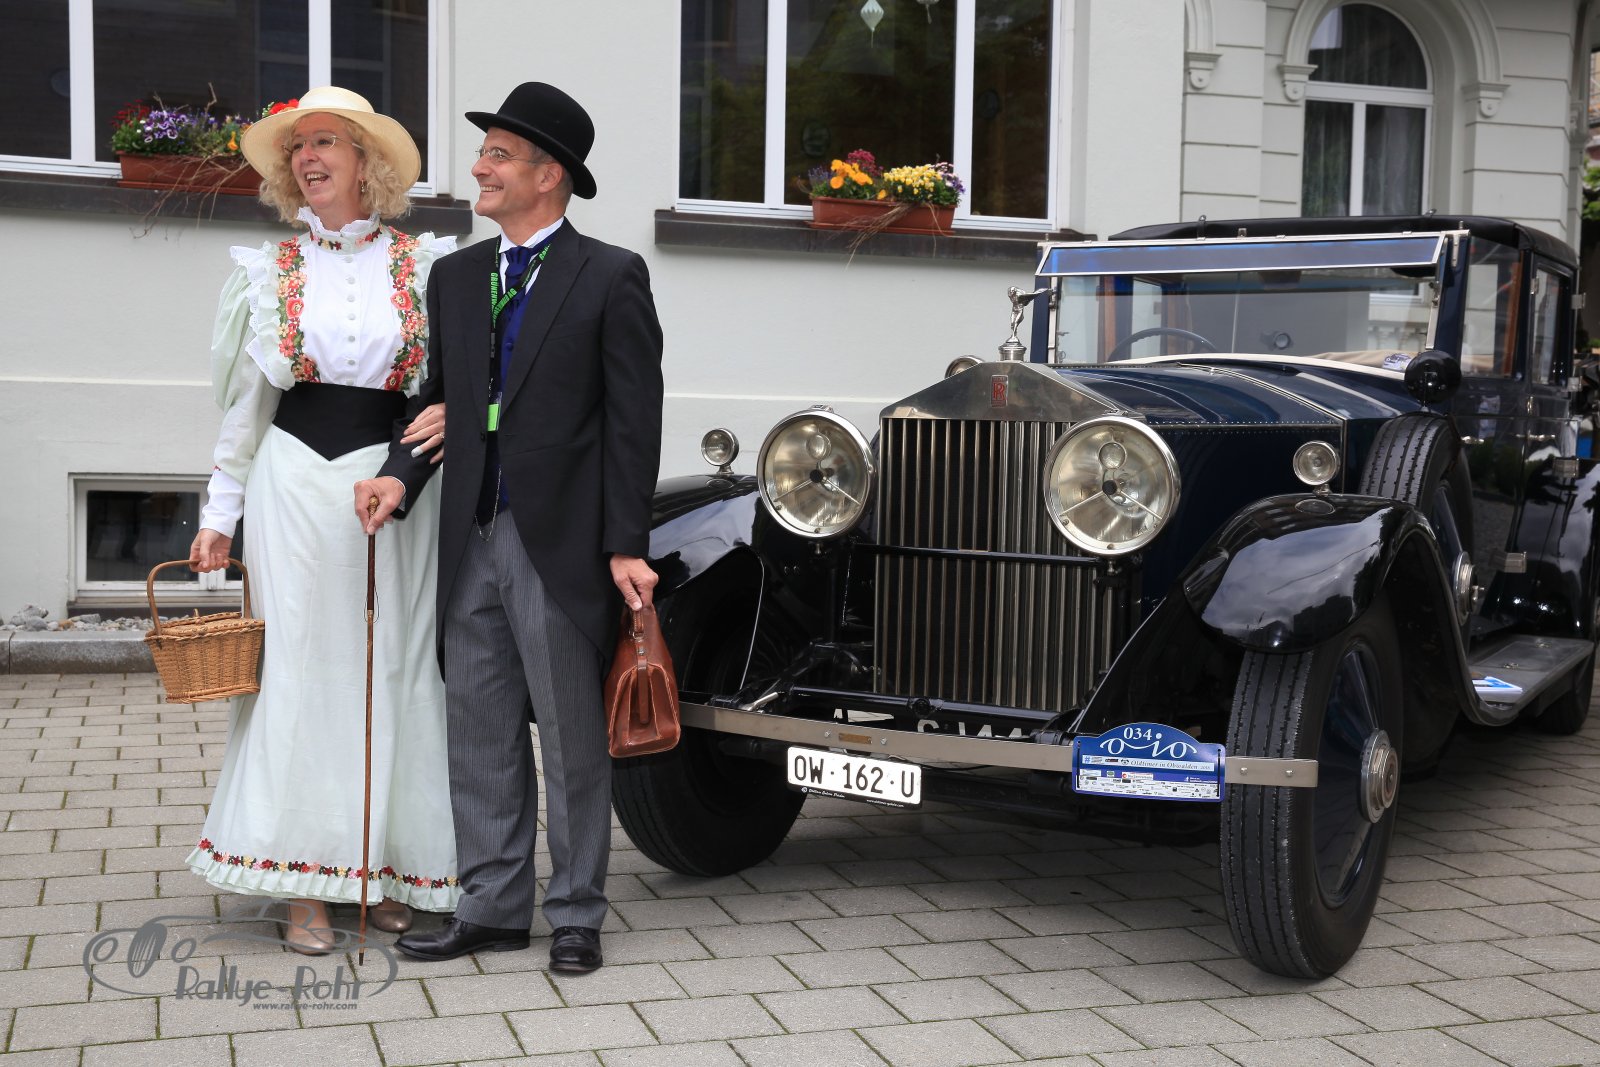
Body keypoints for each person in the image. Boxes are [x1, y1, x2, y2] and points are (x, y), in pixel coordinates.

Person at [356, 82, 664, 974]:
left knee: (570, 737)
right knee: (479, 730)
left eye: (497, 154)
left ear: (548, 173)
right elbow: (439, 401)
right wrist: (398, 473)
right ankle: (492, 907)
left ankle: (576, 913)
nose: (480, 168)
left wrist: (626, 543)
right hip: (469, 535)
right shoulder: (455, 277)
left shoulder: (610, 275)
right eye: (484, 151)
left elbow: (632, 421)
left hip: (557, 540)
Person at [187, 86, 460, 955]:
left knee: (393, 667)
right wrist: (218, 514)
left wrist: (407, 468)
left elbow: (441, 391)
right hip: (294, 483)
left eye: (326, 143)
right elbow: (246, 407)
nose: (307, 158)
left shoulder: (427, 267)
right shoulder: (267, 273)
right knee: (301, 673)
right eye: (297, 147)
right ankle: (304, 881)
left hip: (395, 484)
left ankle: (381, 869)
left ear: (365, 162)